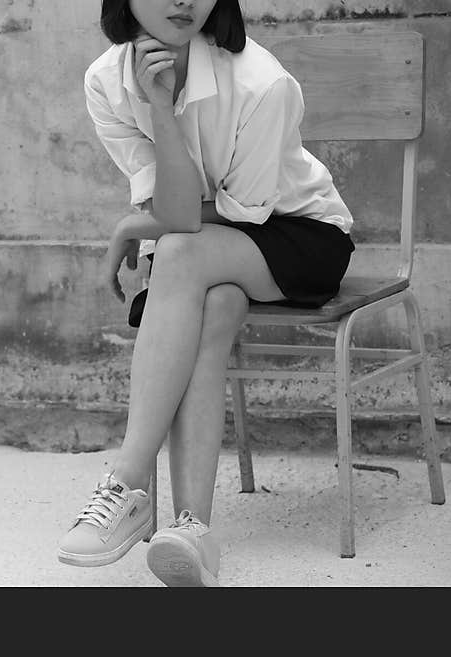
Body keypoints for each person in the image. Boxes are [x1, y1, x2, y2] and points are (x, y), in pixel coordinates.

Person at [57, 0, 355, 586]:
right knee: (212, 303)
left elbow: (229, 214)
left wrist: (130, 227)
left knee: (178, 255)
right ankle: (192, 530)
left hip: (297, 235)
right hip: (196, 241)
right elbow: (173, 210)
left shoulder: (261, 82)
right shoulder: (106, 82)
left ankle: (127, 482)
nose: (181, 1)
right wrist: (160, 110)